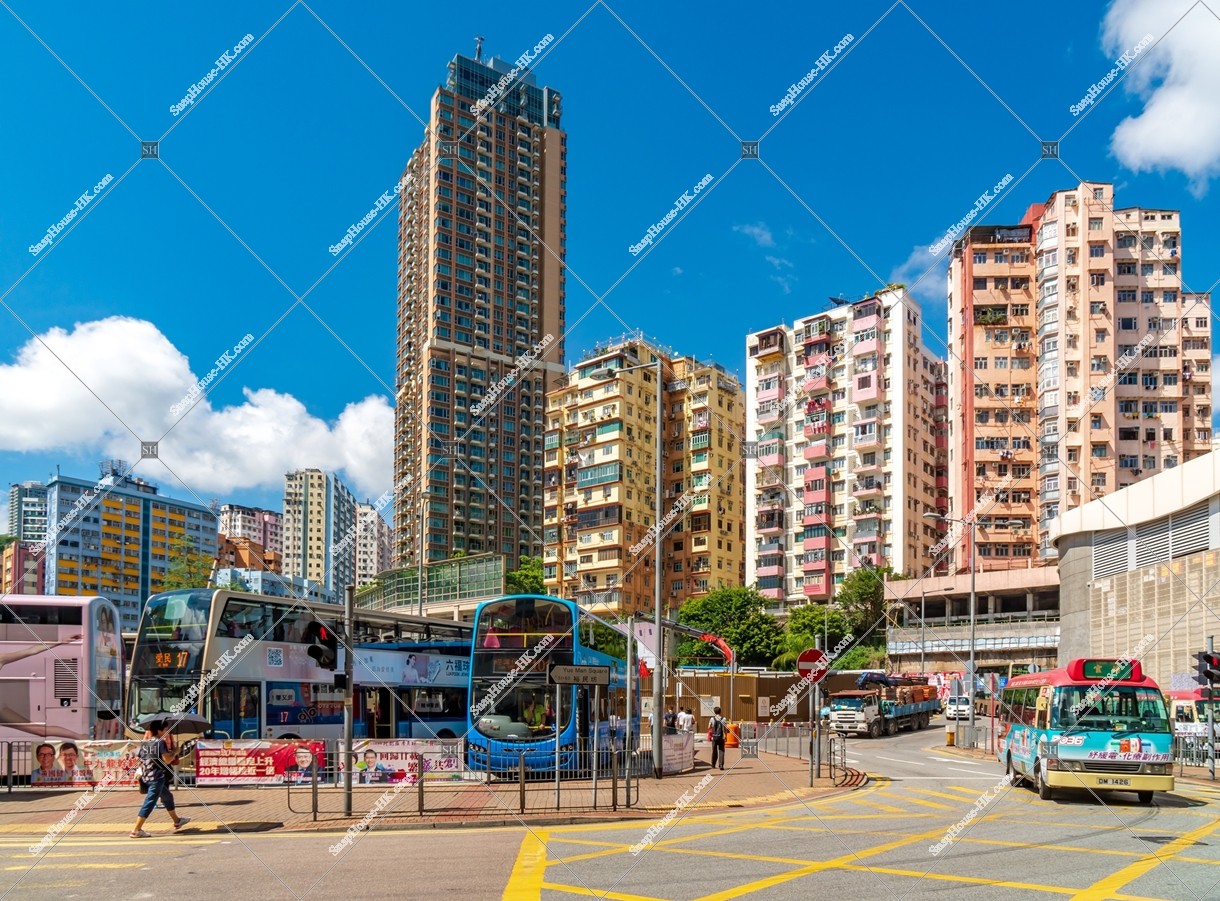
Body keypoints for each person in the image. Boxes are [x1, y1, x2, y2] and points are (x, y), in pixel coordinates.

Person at [130, 721, 190, 838]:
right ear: (159, 730)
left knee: (167, 797)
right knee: (150, 802)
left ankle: (177, 821)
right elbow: (167, 760)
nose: (167, 731)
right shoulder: (160, 742)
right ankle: (136, 830)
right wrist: (175, 752)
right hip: (156, 777)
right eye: (165, 729)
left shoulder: (146, 743)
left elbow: (140, 758)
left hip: (147, 776)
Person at [709, 706, 728, 771]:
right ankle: (721, 764)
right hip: (721, 737)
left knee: (714, 751)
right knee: (721, 751)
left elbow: (709, 727)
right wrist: (726, 736)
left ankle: (713, 764)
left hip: (714, 737)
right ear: (720, 711)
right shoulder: (724, 719)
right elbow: (725, 729)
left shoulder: (712, 719)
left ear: (714, 712)